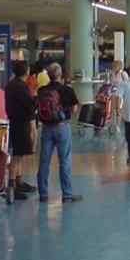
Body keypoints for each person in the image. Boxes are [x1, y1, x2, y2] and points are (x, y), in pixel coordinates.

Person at [36, 63, 83, 203]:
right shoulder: (66, 90)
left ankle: (43, 193)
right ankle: (67, 194)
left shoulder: (42, 90)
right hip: (62, 127)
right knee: (65, 160)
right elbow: (74, 110)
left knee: (44, 160)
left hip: (46, 128)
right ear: (60, 75)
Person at [5, 60, 37, 199]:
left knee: (20, 154)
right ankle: (12, 186)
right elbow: (31, 103)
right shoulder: (21, 87)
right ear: (26, 71)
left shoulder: (11, 85)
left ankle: (18, 181)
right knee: (17, 156)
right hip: (21, 123)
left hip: (14, 121)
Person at [110, 60, 128, 128]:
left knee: (118, 109)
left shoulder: (123, 74)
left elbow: (127, 83)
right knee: (113, 108)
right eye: (113, 66)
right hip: (114, 93)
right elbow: (113, 84)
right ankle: (114, 123)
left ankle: (117, 125)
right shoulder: (114, 74)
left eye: (115, 66)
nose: (114, 68)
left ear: (119, 66)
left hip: (121, 94)